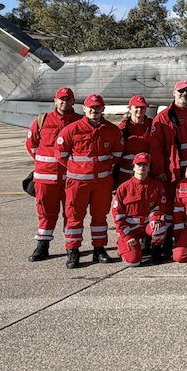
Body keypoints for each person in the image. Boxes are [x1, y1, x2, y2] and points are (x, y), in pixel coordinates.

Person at [56, 94, 125, 268]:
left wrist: (102, 168)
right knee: (74, 218)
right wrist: (77, 170)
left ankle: (99, 249)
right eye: (91, 107)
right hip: (77, 184)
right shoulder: (72, 129)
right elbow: (60, 155)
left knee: (100, 217)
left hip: (102, 183)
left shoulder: (112, 130)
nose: (95, 110)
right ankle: (73, 251)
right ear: (84, 109)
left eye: (98, 107)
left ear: (103, 109)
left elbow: (117, 153)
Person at [25, 87, 81, 261]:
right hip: (45, 179)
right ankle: (43, 246)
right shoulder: (42, 121)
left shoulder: (80, 122)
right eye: (61, 99)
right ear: (55, 101)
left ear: (73, 102)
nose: (65, 102)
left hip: (71, 179)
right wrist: (45, 165)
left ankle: (72, 248)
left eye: (68, 99)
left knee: (71, 214)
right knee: (46, 214)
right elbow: (32, 145)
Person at [150, 80, 187, 251]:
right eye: (181, 91)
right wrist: (159, 170)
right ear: (174, 92)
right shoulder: (164, 117)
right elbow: (155, 146)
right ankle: (166, 237)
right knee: (170, 205)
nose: (184, 94)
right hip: (174, 170)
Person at [111, 152, 171, 266]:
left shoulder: (157, 186)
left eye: (145, 165)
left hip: (147, 225)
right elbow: (117, 216)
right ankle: (123, 244)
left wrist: (155, 218)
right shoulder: (123, 188)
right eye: (139, 165)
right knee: (133, 262)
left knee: (161, 226)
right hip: (130, 228)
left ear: (149, 168)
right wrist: (127, 235)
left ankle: (156, 251)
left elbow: (160, 206)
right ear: (133, 167)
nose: (142, 167)